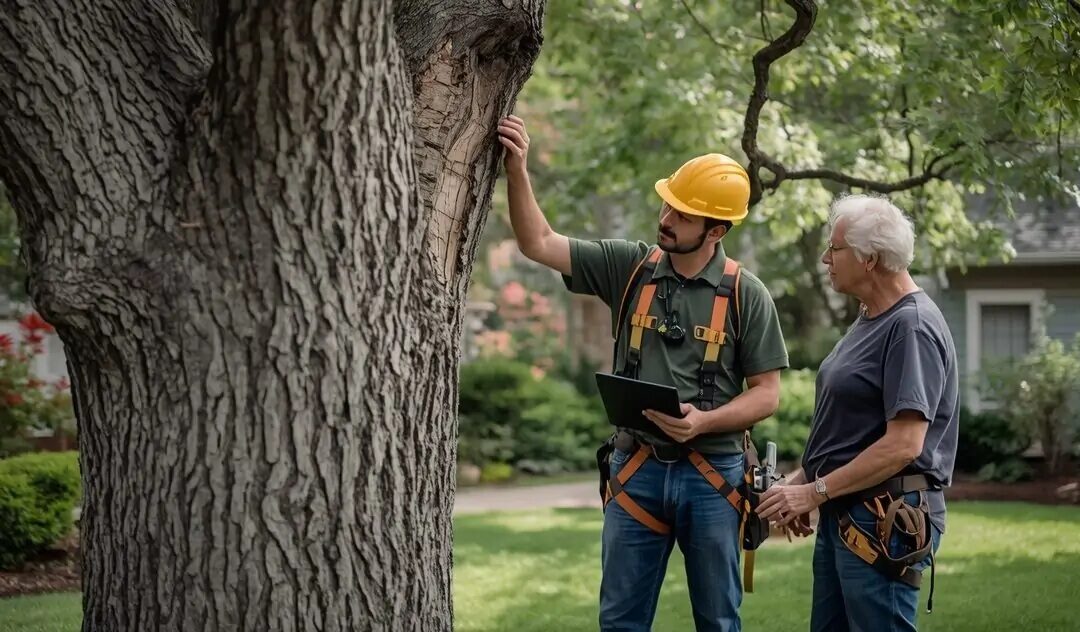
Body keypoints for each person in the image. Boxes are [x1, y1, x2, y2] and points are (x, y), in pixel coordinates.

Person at [497, 114, 788, 632]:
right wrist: (517, 168)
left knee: (718, 622)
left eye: (683, 213)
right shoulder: (629, 267)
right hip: (637, 471)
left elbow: (767, 396)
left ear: (716, 230)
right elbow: (537, 242)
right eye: (668, 203)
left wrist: (703, 421)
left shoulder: (748, 294)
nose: (666, 216)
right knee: (620, 623)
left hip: (713, 479)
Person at [757, 194, 960, 632]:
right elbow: (850, 426)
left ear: (869, 258)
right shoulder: (872, 317)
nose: (825, 258)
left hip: (883, 516)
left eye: (835, 248)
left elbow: (904, 444)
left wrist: (813, 494)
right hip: (845, 512)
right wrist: (801, 485)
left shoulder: (913, 327)